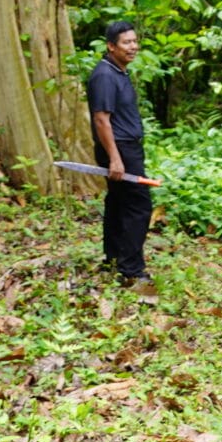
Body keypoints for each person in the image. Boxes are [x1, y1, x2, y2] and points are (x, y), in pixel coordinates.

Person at [86, 20, 154, 293]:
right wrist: (115, 158)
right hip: (121, 149)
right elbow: (102, 119)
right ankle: (132, 271)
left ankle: (113, 259)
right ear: (111, 46)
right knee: (138, 207)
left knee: (118, 203)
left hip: (127, 148)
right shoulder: (104, 75)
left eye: (135, 41)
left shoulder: (118, 72)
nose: (133, 47)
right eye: (126, 42)